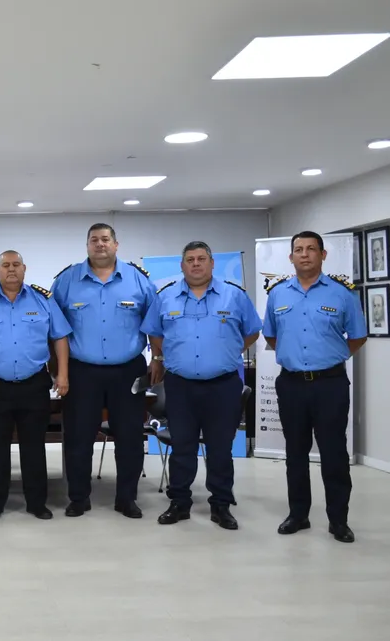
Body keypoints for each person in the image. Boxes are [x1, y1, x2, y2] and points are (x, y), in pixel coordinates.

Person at [143, 241, 261, 530]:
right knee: (182, 447)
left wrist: (226, 352)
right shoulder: (166, 297)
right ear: (181, 266)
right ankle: (179, 503)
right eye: (190, 260)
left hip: (222, 386)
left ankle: (221, 505)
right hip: (181, 386)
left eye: (201, 259)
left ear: (211, 264)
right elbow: (155, 333)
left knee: (220, 448)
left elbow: (252, 331)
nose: (196, 264)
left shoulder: (234, 296)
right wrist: (159, 356)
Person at [263, 231, 367, 543]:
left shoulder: (342, 294)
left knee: (334, 454)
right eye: (298, 249)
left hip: (330, 384)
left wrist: (330, 358)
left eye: (311, 249)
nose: (304, 254)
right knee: (295, 453)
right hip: (292, 384)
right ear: (291, 257)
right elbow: (271, 336)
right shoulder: (278, 294)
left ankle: (338, 520)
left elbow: (358, 336)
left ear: (323, 255)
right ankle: (298, 514)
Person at [51, 223, 156, 519]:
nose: (100, 244)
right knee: (78, 438)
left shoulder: (138, 280)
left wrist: (158, 358)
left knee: (130, 437)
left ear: (116, 244)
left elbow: (155, 323)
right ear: (87, 245)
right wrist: (59, 371)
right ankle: (78, 498)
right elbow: (54, 329)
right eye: (94, 240)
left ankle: (127, 498)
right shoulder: (66, 281)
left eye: (105, 239)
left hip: (128, 371)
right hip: (82, 371)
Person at [0, 251, 71, 521]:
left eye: (15, 265)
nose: (11, 270)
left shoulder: (43, 300)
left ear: (24, 268)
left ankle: (37, 503)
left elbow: (60, 338)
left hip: (34, 383)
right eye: (5, 265)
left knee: (34, 446)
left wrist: (63, 375)